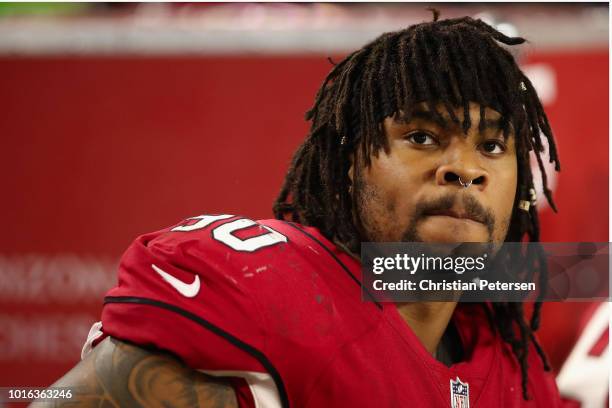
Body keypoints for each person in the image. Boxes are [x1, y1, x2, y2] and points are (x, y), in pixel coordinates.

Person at [36, 11, 563, 408]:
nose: (464, 168)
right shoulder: (277, 295)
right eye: (422, 136)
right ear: (350, 163)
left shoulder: (514, 367)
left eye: (492, 147)